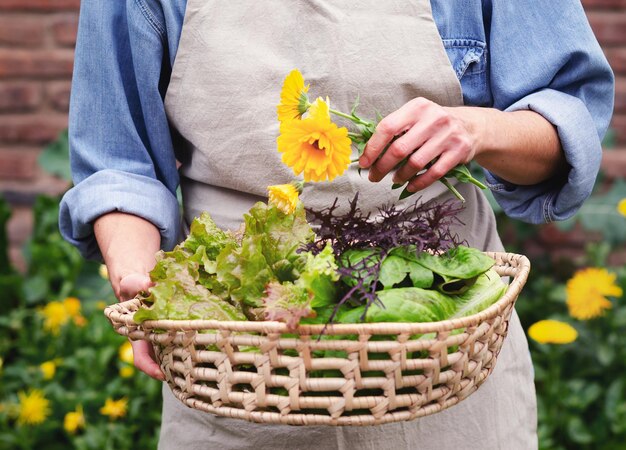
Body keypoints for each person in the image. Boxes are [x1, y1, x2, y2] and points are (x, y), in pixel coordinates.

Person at [59, 1, 614, 449]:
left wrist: (477, 129)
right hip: (238, 361)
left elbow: (566, 129)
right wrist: (143, 279)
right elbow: (120, 164)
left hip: (444, 345)